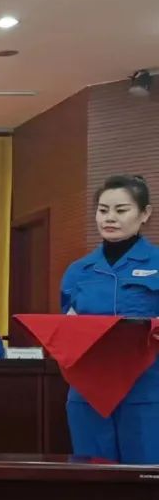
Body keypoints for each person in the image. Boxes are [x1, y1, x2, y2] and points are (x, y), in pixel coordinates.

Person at [60, 174, 159, 464]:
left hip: (146, 390)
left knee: (146, 476)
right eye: (103, 210)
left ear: (145, 214)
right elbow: (68, 326)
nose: (110, 218)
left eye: (121, 210)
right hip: (88, 392)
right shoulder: (79, 271)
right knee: (93, 477)